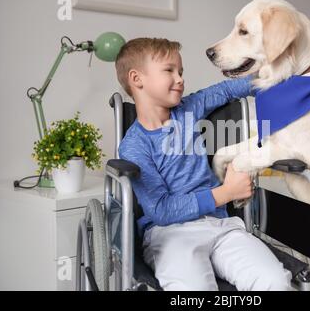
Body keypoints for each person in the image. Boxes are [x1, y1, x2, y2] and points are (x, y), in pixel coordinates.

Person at [116, 38, 292, 291]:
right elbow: (161, 210)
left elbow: (226, 90)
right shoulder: (134, 145)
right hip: (170, 234)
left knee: (274, 281)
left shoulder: (188, 109)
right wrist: (227, 193)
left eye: (181, 71)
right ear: (137, 79)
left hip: (221, 226)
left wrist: (274, 79)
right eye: (169, 70)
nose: (180, 79)